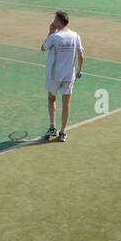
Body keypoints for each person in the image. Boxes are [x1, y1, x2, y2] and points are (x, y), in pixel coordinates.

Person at [41, 10, 84, 143]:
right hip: (69, 76)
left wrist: (50, 32)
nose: (53, 21)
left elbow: (43, 48)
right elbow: (81, 55)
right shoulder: (75, 36)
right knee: (66, 104)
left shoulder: (55, 36)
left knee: (51, 99)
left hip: (54, 76)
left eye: (55, 19)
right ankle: (63, 132)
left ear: (59, 21)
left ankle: (52, 127)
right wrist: (79, 71)